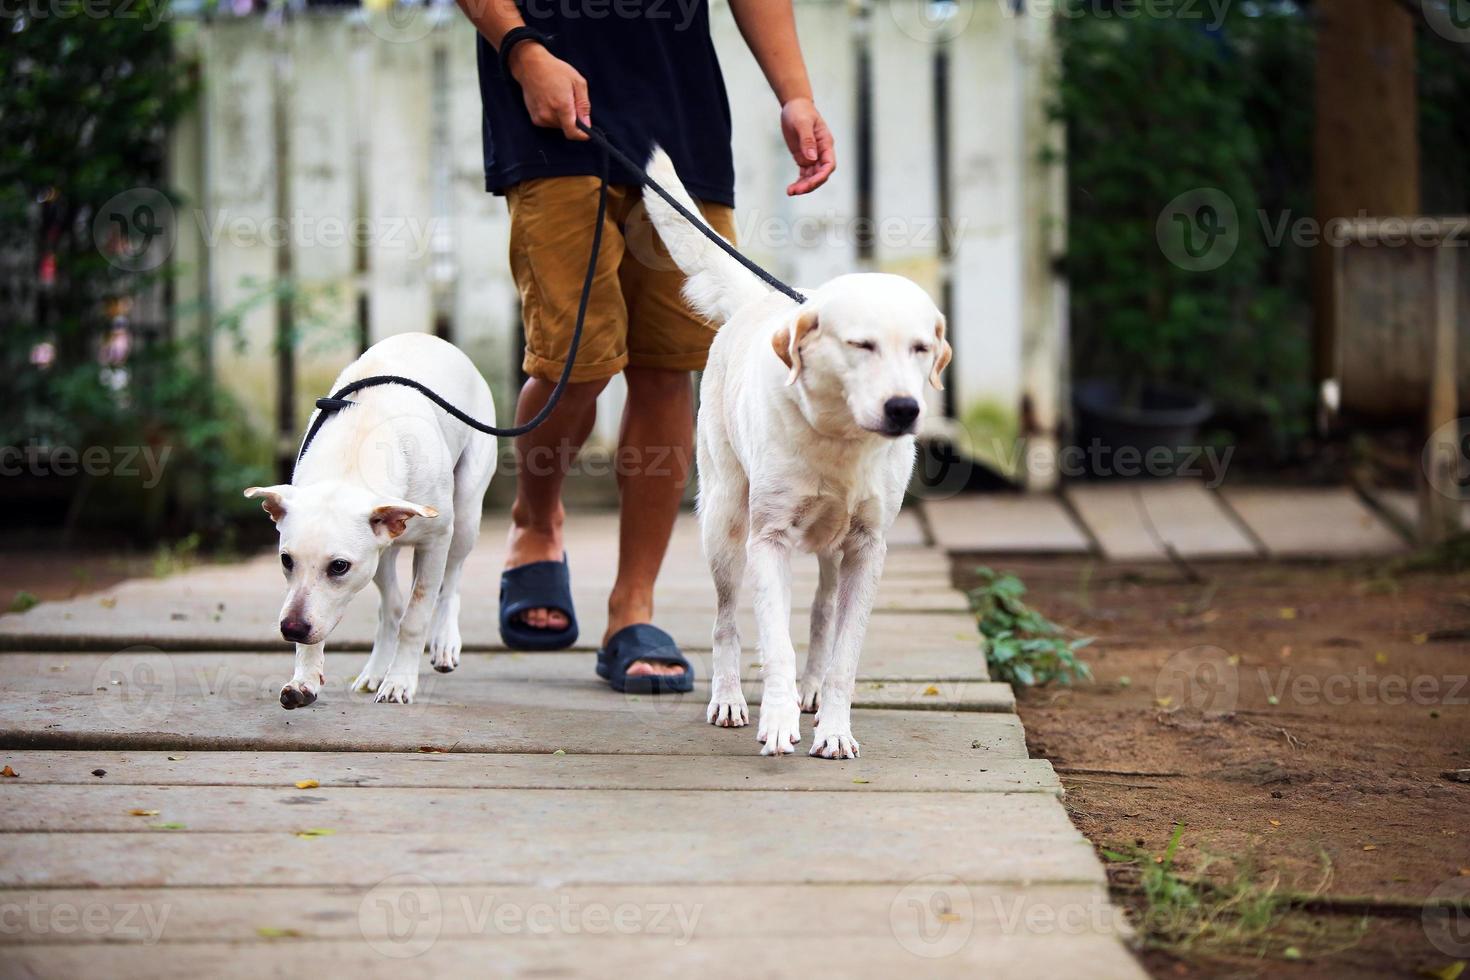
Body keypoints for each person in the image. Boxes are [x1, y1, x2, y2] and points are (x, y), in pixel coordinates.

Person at [456, 0, 836, 692]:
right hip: (551, 115)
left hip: (681, 128)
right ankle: (535, 524)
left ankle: (633, 607)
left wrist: (796, 95)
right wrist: (522, 51)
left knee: (671, 369)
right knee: (574, 361)